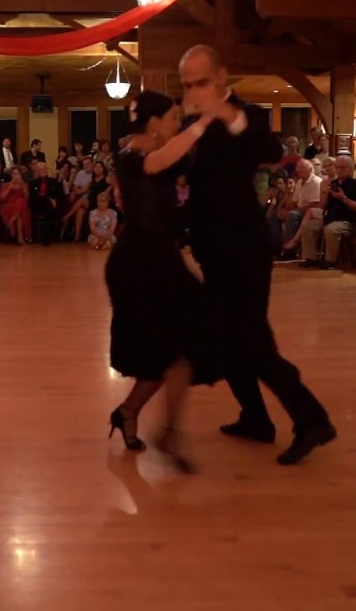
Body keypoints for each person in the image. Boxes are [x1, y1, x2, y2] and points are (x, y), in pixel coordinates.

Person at [178, 44, 335, 466]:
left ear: (221, 77)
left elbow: (268, 150)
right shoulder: (194, 122)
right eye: (188, 85)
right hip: (213, 247)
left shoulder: (248, 115)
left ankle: (312, 419)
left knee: (252, 340)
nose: (194, 91)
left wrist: (228, 114)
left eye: (201, 82)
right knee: (229, 339)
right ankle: (256, 418)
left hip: (244, 247)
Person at [106, 91, 219, 473]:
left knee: (171, 354)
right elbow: (159, 161)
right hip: (137, 267)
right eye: (172, 118)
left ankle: (129, 412)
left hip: (162, 262)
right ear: (153, 123)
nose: (177, 124)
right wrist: (203, 121)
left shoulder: (164, 156)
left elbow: (180, 161)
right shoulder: (131, 158)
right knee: (173, 353)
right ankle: (169, 432)